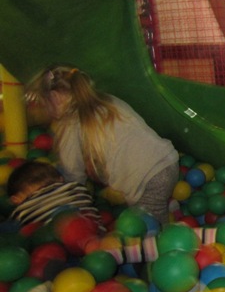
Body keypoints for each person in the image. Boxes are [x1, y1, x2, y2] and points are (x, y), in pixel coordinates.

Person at [27, 66, 179, 225]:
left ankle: (170, 228)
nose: (46, 112)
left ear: (55, 97)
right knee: (151, 203)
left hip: (147, 178)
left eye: (44, 105)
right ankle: (170, 206)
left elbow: (73, 175)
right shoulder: (108, 100)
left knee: (145, 226)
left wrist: (71, 207)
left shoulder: (69, 124)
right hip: (167, 160)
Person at [5, 160, 101, 228]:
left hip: (50, 244)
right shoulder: (75, 187)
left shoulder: (21, 211)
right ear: (61, 179)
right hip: (95, 235)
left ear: (15, 199)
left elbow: (18, 233)